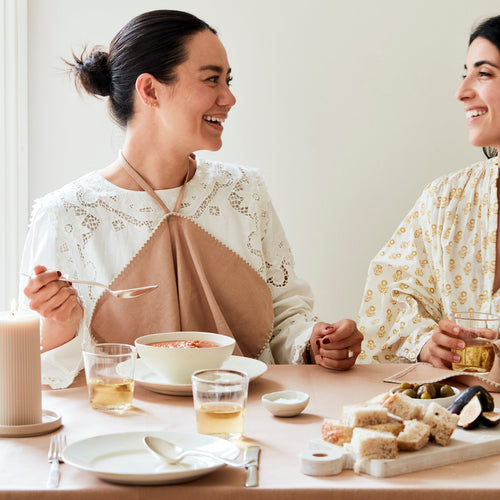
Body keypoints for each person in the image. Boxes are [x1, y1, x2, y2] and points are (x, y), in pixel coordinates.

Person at [21, 10, 363, 388]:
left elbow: (282, 316)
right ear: (150, 90)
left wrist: (316, 341)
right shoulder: (67, 215)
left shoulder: (244, 192)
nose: (229, 97)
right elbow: (47, 380)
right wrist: (59, 326)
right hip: (128, 431)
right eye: (212, 79)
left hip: (242, 420)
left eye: (228, 80)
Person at [358, 15, 500, 368]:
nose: (462, 91)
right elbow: (387, 302)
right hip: (462, 415)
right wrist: (425, 342)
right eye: (465, 72)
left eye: (484, 73)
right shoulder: (446, 198)